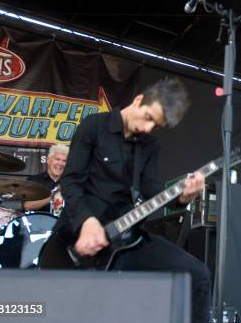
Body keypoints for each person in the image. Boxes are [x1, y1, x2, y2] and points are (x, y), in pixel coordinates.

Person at [40, 78, 210, 322]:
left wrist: (182, 197)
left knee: (198, 274)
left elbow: (152, 190)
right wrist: (86, 222)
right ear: (138, 100)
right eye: (149, 118)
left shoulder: (150, 145)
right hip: (80, 233)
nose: (149, 128)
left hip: (127, 236)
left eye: (157, 125)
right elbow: (71, 181)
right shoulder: (94, 126)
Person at [24, 144, 69, 214]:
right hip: (40, 223)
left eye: (64, 161)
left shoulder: (70, 183)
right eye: (57, 159)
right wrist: (52, 197)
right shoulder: (35, 180)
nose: (60, 163)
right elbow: (27, 206)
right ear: (48, 160)